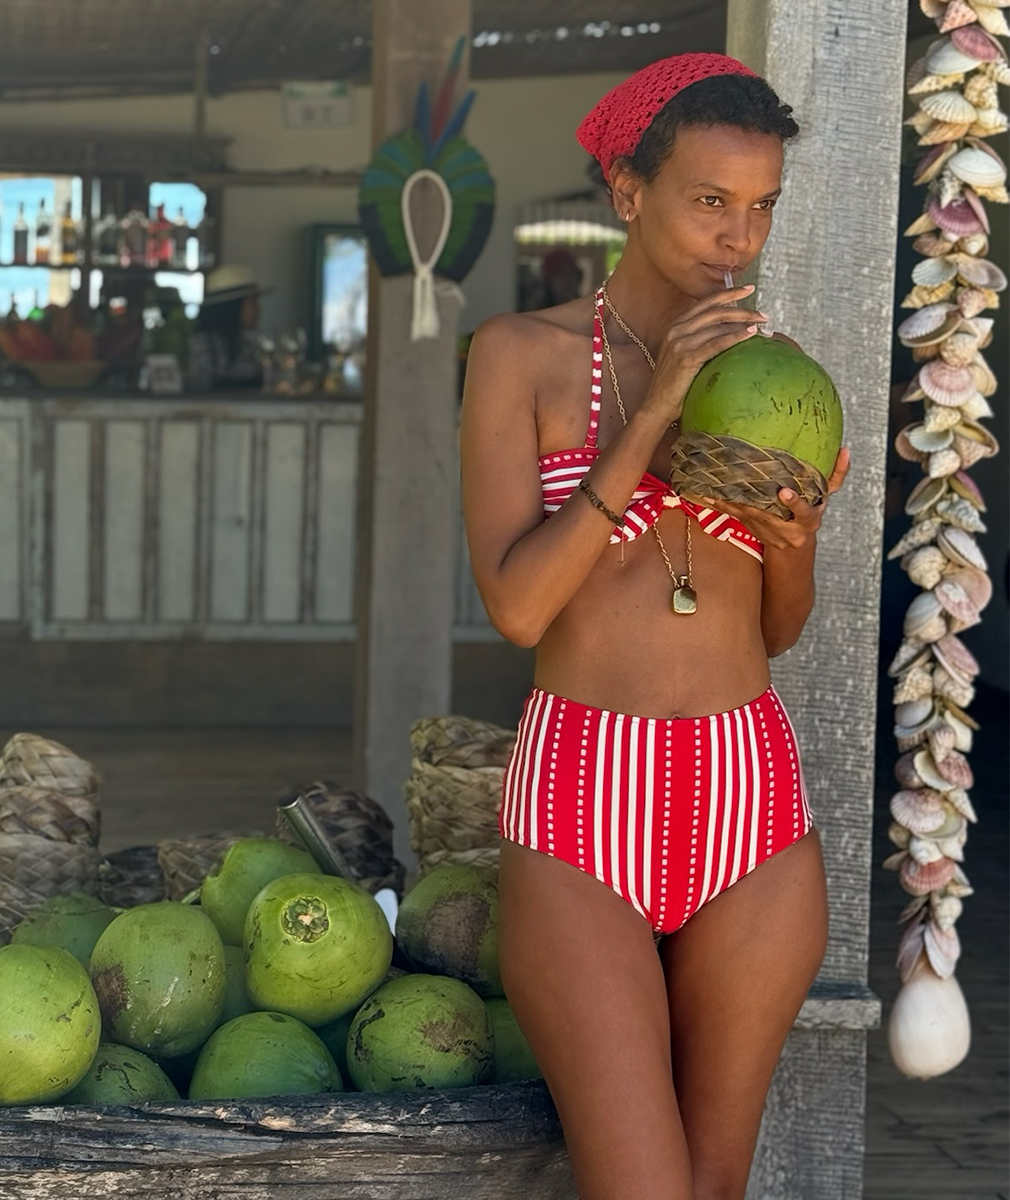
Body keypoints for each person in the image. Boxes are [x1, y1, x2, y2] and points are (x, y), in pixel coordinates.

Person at [459, 54, 850, 1200]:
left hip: (750, 798)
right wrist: (649, 422)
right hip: (587, 792)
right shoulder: (518, 358)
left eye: (762, 206)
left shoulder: (780, 387)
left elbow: (775, 630)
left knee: (716, 1187)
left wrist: (799, 538)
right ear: (628, 191)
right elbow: (518, 604)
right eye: (709, 200)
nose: (739, 237)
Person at [191, 263, 268, 389]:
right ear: (232, 308)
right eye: (252, 304)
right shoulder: (203, 346)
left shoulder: (247, 344)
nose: (259, 309)